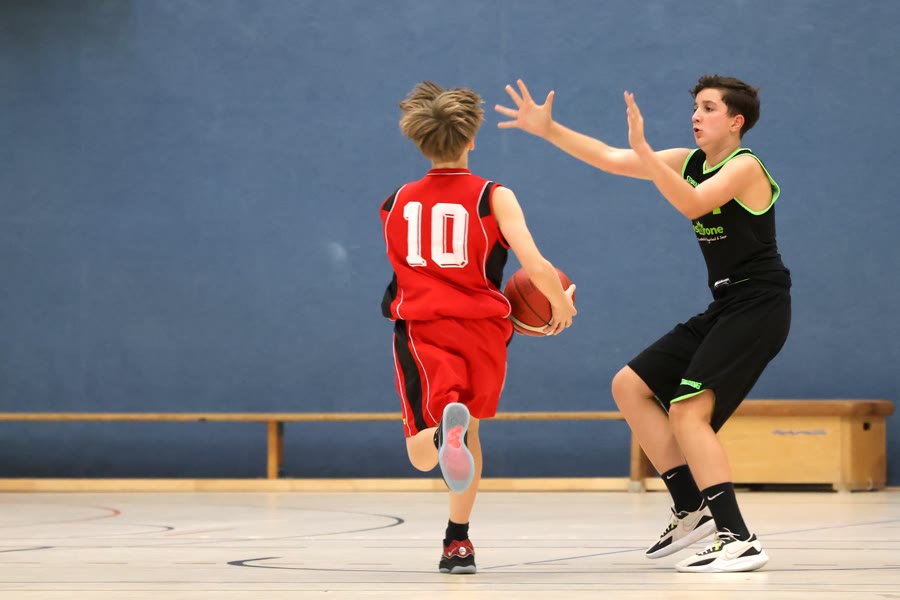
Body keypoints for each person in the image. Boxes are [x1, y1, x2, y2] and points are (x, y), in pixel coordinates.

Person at [494, 76, 790, 573]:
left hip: (760, 305)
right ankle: (691, 506)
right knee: (630, 386)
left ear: (736, 122)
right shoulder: (687, 162)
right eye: (695, 107)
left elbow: (693, 203)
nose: (696, 115)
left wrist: (646, 153)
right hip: (726, 305)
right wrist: (550, 130)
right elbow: (611, 158)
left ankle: (739, 538)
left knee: (688, 412)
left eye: (709, 108)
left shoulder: (745, 166)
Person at [380, 81, 577, 574]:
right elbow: (534, 263)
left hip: (425, 330)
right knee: (470, 434)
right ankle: (458, 542)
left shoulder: (396, 202)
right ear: (471, 138)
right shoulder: (495, 196)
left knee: (422, 452)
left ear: (420, 140)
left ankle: (443, 435)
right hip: (487, 332)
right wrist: (559, 305)